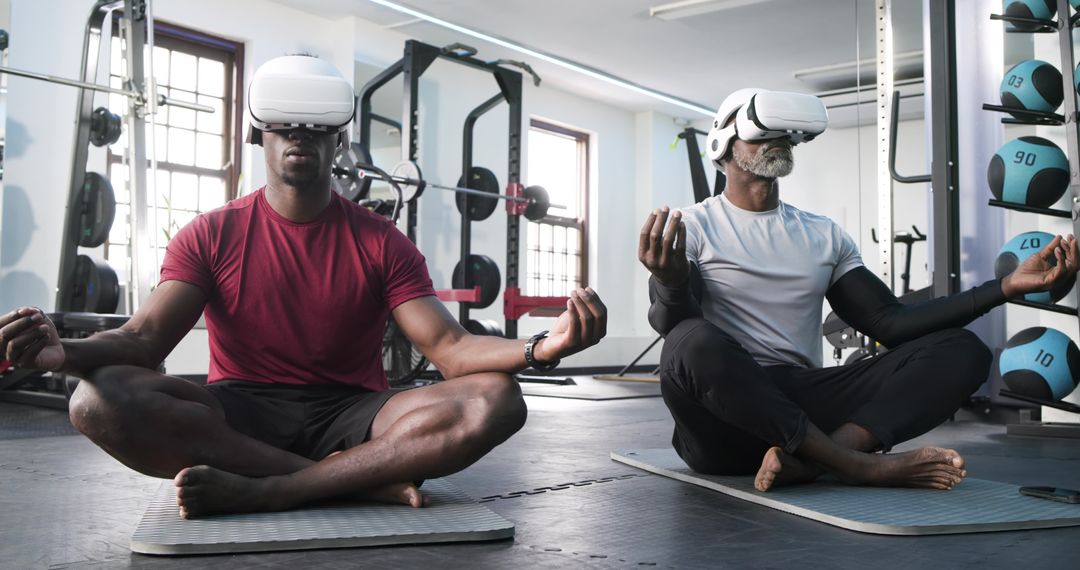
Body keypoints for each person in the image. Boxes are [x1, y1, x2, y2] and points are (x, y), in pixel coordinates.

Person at [0, 55, 607, 518]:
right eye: (286, 128)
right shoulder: (210, 234)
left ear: (337, 139)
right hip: (238, 409)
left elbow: (449, 351)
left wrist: (539, 350)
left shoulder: (381, 241)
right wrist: (66, 354)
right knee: (94, 400)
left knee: (496, 400)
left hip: (353, 412)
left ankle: (278, 491)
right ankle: (359, 482)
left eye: (315, 131)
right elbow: (144, 340)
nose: (299, 140)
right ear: (259, 136)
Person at [638, 88, 1078, 492]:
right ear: (722, 146)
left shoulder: (822, 235)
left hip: (803, 401)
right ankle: (857, 465)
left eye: (785, 136)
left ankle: (817, 461)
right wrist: (671, 282)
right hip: (722, 424)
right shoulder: (692, 226)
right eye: (762, 134)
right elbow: (674, 329)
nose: (779, 140)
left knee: (964, 350)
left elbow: (891, 323)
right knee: (690, 340)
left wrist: (1004, 286)